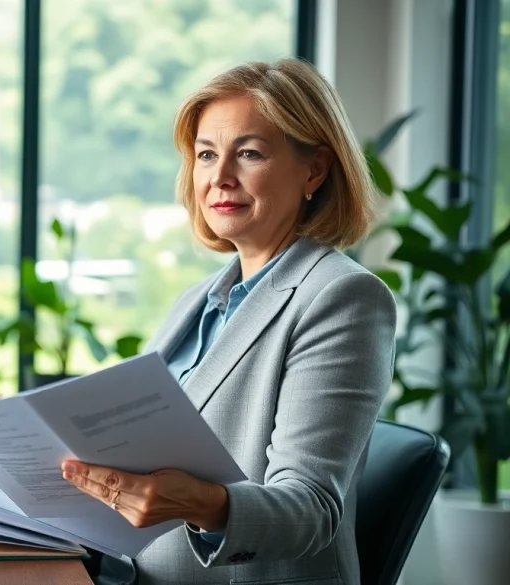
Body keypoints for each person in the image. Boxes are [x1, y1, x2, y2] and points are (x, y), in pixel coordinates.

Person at [62, 58, 397, 585]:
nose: (219, 178)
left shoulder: (344, 297)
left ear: (315, 170)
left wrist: (206, 506)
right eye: (206, 155)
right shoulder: (198, 301)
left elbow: (310, 510)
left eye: (249, 154)